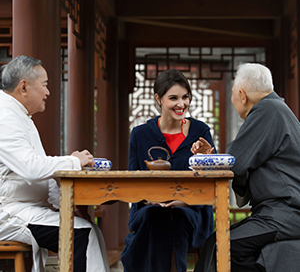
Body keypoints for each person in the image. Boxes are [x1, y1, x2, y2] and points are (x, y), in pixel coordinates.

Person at [0, 56, 110, 272]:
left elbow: (41, 175)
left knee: (90, 229)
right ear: (24, 87)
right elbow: (31, 169)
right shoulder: (5, 116)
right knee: (82, 234)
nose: (48, 92)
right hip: (10, 212)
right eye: (45, 85)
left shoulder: (19, 115)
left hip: (26, 208)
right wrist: (73, 160)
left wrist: (65, 207)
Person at [191, 63, 300, 272]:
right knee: (219, 242)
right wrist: (215, 156)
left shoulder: (267, 110)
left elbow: (236, 162)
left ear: (242, 95)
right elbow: (243, 159)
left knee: (220, 245)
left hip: (284, 213)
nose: (233, 100)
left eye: (232, 94)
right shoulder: (277, 109)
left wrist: (217, 158)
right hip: (282, 213)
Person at [121, 69, 215, 272]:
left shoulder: (201, 132)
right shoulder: (140, 135)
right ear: (158, 99)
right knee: (159, 215)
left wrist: (206, 158)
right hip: (149, 208)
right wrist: (154, 199)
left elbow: (211, 184)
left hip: (192, 210)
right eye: (173, 98)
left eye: (185, 97)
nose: (181, 104)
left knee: (174, 216)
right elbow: (133, 181)